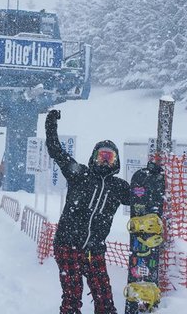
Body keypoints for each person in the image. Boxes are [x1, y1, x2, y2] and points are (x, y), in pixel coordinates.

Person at [45, 109, 130, 314]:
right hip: (68, 244)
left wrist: (150, 179)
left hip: (94, 249)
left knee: (104, 296)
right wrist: (51, 125)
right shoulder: (80, 175)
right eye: (102, 156)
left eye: (110, 158)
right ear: (94, 157)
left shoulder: (118, 187)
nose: (105, 161)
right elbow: (56, 151)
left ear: (116, 162)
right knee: (73, 295)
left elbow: (140, 198)